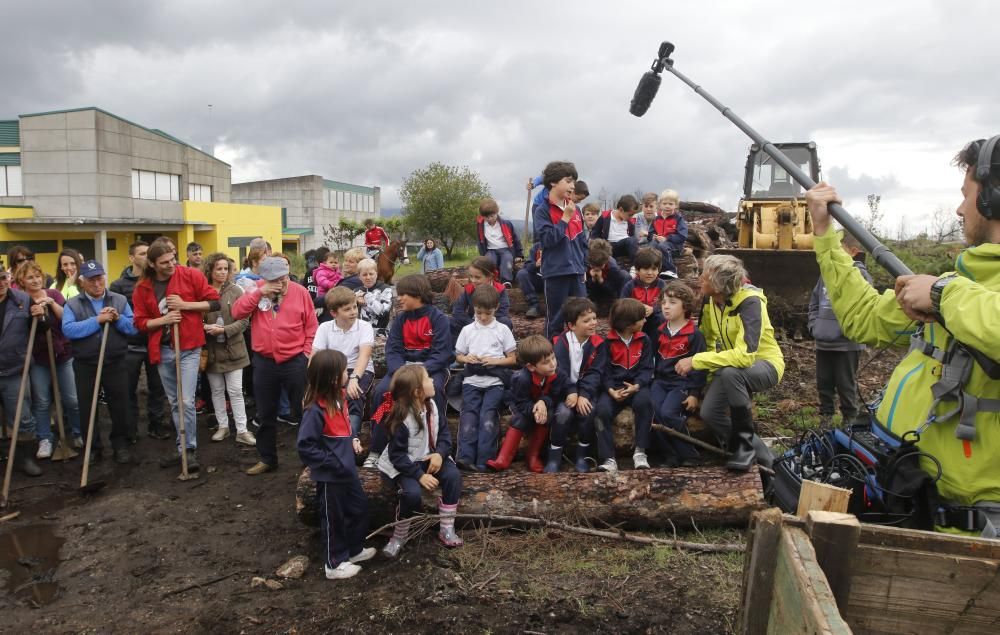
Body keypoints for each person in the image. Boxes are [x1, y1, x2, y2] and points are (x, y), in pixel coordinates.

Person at [804, 136, 1000, 536]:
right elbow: (864, 319)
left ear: (993, 197)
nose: (960, 209)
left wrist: (943, 295)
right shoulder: (956, 281)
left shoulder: (949, 290)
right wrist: (825, 234)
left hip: (974, 533)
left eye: (967, 195)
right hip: (911, 497)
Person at [675, 254, 784, 472]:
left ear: (719, 283)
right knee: (709, 413)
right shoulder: (710, 300)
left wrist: (696, 361)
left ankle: (744, 447)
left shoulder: (751, 303)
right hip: (728, 366)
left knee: (732, 373)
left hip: (765, 364)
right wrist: (699, 385)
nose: (700, 279)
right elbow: (707, 339)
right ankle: (766, 457)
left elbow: (745, 356)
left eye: (705, 276)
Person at [132, 239, 222, 473]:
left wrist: (185, 305)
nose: (171, 264)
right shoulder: (142, 288)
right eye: (165, 262)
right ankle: (182, 445)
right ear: (152, 264)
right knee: (174, 402)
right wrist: (164, 320)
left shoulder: (190, 275)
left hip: (189, 347)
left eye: (173, 259)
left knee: (186, 401)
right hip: (162, 350)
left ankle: (188, 448)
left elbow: (214, 302)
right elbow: (140, 323)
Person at [232, 256, 318, 475]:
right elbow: (237, 312)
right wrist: (260, 293)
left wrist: (306, 354)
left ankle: (309, 459)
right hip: (264, 361)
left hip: (295, 361)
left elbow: (311, 326)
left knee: (302, 411)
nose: (279, 283)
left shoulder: (300, 292)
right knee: (265, 412)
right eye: (273, 280)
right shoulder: (257, 289)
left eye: (282, 278)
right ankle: (267, 458)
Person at [297, 349, 374, 579]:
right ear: (332, 377)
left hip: (347, 471)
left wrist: (353, 440)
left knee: (358, 508)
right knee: (334, 518)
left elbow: (346, 427)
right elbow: (305, 446)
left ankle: (354, 549)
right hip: (331, 477)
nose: (346, 373)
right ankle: (334, 563)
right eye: (343, 371)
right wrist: (332, 462)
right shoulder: (314, 410)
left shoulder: (340, 398)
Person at [364, 274, 452, 468]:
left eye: (403, 294)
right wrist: (402, 372)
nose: (399, 298)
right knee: (381, 392)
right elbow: (392, 350)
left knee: (434, 391)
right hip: (402, 370)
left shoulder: (438, 319)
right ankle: (377, 449)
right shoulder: (400, 320)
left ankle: (438, 449)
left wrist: (420, 373)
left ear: (418, 295)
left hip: (431, 370)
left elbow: (442, 354)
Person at [377, 364, 463, 556]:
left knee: (453, 477)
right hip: (405, 464)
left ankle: (447, 528)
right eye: (428, 379)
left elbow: (444, 435)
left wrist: (440, 454)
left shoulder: (432, 406)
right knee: (412, 493)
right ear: (417, 392)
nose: (433, 381)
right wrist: (419, 475)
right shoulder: (401, 419)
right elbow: (396, 456)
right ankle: (399, 534)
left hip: (430, 456)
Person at [62, 260, 138, 465]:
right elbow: (69, 330)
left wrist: (117, 318)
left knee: (119, 405)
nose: (97, 284)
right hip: (86, 364)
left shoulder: (119, 300)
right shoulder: (73, 304)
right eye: (91, 280)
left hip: (115, 362)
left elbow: (133, 328)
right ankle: (93, 448)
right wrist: (97, 321)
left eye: (100, 278)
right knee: (87, 407)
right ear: (82, 281)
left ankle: (120, 444)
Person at [18, 261, 82, 458]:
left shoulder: (54, 294)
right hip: (38, 356)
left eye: (38, 276)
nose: (35, 280)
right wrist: (32, 313)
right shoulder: (20, 300)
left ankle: (78, 432)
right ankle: (45, 438)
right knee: (42, 400)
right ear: (22, 280)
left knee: (72, 398)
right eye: (30, 277)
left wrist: (51, 303)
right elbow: (19, 328)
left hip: (62, 353)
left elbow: (66, 319)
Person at [807, 233, 874, 425]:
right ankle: (825, 421)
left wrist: (849, 330)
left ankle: (849, 421)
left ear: (853, 252)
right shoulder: (826, 273)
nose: (835, 253)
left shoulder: (860, 276)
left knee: (846, 384)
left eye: (840, 249)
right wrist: (814, 326)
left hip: (847, 345)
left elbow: (865, 307)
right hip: (823, 342)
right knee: (824, 383)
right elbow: (814, 302)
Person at [454, 285, 517, 472]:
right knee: (469, 417)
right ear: (473, 308)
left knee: (488, 417)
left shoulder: (502, 329)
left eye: (487, 313)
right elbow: (458, 356)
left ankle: (484, 460)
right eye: (478, 312)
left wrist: (495, 361)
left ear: (496, 308)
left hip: (494, 382)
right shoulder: (467, 330)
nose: (482, 317)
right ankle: (465, 458)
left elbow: (513, 358)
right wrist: (467, 358)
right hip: (471, 381)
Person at [110, 241, 169, 441]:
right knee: (128, 389)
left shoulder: (156, 282)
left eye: (147, 253)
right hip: (130, 345)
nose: (145, 256)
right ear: (131, 258)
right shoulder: (118, 285)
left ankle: (157, 424)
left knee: (157, 387)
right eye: (142, 253)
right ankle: (131, 429)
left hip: (155, 341)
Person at [487, 335, 568, 473]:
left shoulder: (556, 373)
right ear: (531, 367)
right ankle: (503, 458)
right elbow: (521, 402)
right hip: (523, 405)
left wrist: (543, 402)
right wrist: (535, 409)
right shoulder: (522, 379)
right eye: (546, 362)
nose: (552, 364)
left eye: (553, 358)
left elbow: (555, 395)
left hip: (545, 405)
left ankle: (532, 456)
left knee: (546, 418)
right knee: (520, 419)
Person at [593, 298, 654, 474]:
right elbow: (603, 370)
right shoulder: (607, 343)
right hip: (614, 387)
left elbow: (647, 367)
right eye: (641, 319)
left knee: (645, 403)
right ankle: (608, 458)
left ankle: (641, 452)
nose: (644, 321)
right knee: (602, 410)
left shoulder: (644, 340)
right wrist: (611, 390)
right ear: (629, 324)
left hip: (636, 385)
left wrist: (637, 385)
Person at [201, 253, 255, 446]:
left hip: (234, 349)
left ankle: (242, 429)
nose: (223, 272)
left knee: (235, 391)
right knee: (216, 390)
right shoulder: (202, 291)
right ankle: (222, 426)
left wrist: (224, 330)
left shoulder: (237, 291)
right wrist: (205, 328)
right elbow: (195, 318)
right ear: (210, 270)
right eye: (218, 269)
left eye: (226, 268)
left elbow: (244, 320)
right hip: (212, 350)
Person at [651, 281, 706, 466]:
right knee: (655, 413)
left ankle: (690, 454)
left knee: (668, 413)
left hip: (681, 384)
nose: (666, 306)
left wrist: (694, 394)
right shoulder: (659, 331)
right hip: (660, 382)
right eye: (664, 302)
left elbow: (700, 366)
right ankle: (670, 456)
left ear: (685, 307)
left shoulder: (695, 334)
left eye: (672, 302)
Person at [532, 160, 588, 339]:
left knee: (583, 317)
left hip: (577, 271)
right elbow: (547, 240)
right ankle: (551, 360)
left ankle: (581, 359)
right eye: (568, 181)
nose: (572, 186)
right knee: (556, 320)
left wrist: (584, 266)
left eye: (573, 182)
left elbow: (582, 242)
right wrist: (564, 219)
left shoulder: (576, 210)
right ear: (553, 182)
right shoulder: (542, 211)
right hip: (556, 273)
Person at [551, 297, 606, 473]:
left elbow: (596, 372)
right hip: (564, 391)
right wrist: (571, 391)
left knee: (588, 412)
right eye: (586, 320)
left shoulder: (599, 344)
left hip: (587, 391)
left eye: (594, 318)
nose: (593, 323)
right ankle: (554, 456)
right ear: (572, 325)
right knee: (562, 414)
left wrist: (583, 394)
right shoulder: (561, 343)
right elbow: (559, 371)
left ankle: (582, 456)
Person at [312, 287, 375, 440]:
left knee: (353, 393)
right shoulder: (325, 328)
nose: (353, 311)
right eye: (347, 309)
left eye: (355, 307)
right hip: (333, 369)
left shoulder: (364, 326)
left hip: (358, 368)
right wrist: (312, 384)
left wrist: (354, 378)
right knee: (321, 396)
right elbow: (315, 357)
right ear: (334, 313)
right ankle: (322, 437)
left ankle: (350, 438)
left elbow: (364, 355)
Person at [0, 266, 43, 476]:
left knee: (21, 415)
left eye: (2, 278)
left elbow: (41, 329)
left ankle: (25, 458)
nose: (0, 283)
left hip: (15, 368)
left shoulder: (22, 300)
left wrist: (40, 315)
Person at [449, 256, 513, 343]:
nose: (473, 280)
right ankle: (456, 350)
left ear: (490, 276)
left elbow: (502, 312)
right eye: (471, 276)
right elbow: (458, 311)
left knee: (505, 321)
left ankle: (498, 349)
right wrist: (473, 324)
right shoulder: (469, 289)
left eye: (477, 277)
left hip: (492, 324)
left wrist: (486, 325)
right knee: (451, 321)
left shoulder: (500, 290)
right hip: (472, 322)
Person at [620, 247, 667, 339]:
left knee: (661, 317)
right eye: (646, 269)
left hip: (654, 319)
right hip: (635, 318)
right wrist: (637, 310)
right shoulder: (630, 286)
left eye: (654, 269)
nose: (650, 273)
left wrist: (653, 309)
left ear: (658, 270)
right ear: (637, 270)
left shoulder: (661, 284)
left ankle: (655, 347)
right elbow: (622, 304)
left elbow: (665, 302)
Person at [476, 198, 523, 286]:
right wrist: (482, 255)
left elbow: (516, 238)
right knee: (489, 262)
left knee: (507, 260)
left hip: (505, 249)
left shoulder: (506, 224)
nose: (490, 219)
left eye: (492, 216)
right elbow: (480, 241)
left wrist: (519, 254)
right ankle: (492, 281)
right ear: (483, 216)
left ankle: (506, 281)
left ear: (496, 213)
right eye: (487, 217)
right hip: (491, 250)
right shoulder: (481, 225)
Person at [586, 239, 631, 314]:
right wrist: (593, 279)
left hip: (609, 294)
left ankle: (621, 306)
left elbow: (613, 292)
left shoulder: (613, 268)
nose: (596, 268)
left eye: (600, 266)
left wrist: (601, 280)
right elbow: (586, 289)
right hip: (594, 294)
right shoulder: (585, 263)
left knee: (624, 275)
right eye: (593, 265)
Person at [649, 189, 688, 274]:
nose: (667, 206)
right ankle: (651, 269)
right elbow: (651, 233)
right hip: (659, 244)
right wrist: (653, 236)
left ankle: (671, 270)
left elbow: (682, 236)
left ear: (676, 205)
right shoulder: (656, 219)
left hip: (675, 247)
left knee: (662, 246)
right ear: (660, 205)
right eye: (665, 203)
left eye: (671, 204)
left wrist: (667, 238)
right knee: (651, 246)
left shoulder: (678, 219)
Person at [589, 195, 639, 262]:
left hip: (624, 246)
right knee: (631, 241)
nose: (631, 217)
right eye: (629, 215)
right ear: (621, 210)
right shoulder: (605, 217)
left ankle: (635, 266)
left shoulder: (630, 222)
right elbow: (595, 235)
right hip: (609, 247)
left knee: (633, 240)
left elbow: (632, 237)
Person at [356, 258, 394, 336]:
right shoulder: (356, 291)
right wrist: (355, 302)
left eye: (371, 274)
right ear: (359, 276)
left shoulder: (386, 289)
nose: (368, 277)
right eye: (364, 274)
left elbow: (382, 312)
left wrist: (365, 296)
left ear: (376, 274)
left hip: (381, 333)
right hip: (361, 332)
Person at [516, 243, 544, 318]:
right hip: (539, 279)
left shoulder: (562, 245)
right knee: (522, 274)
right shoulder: (537, 247)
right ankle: (534, 306)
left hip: (555, 280)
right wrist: (536, 264)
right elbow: (527, 266)